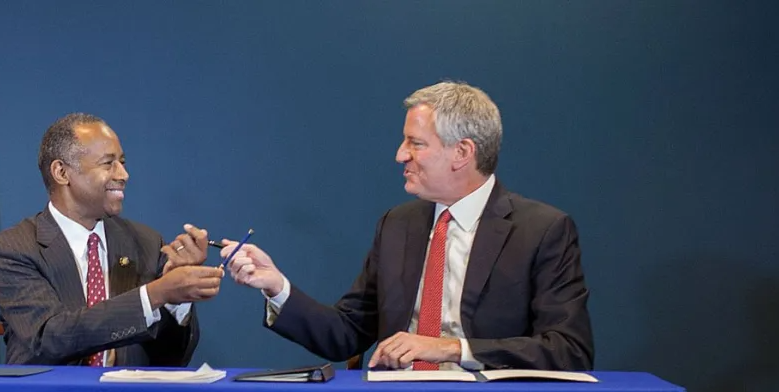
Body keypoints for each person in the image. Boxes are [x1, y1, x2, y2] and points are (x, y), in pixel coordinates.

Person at [222, 81, 593, 371]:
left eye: (415, 143)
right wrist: (277, 287)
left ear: (462, 153)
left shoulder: (541, 230)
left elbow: (568, 350)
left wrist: (451, 349)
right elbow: (345, 335)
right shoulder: (397, 225)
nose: (401, 155)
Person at [0, 113, 222, 366]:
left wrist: (177, 299)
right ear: (61, 172)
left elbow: (172, 358)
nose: (124, 174)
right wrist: (154, 295)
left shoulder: (146, 243)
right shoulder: (13, 249)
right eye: (108, 163)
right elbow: (48, 338)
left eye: (122, 162)